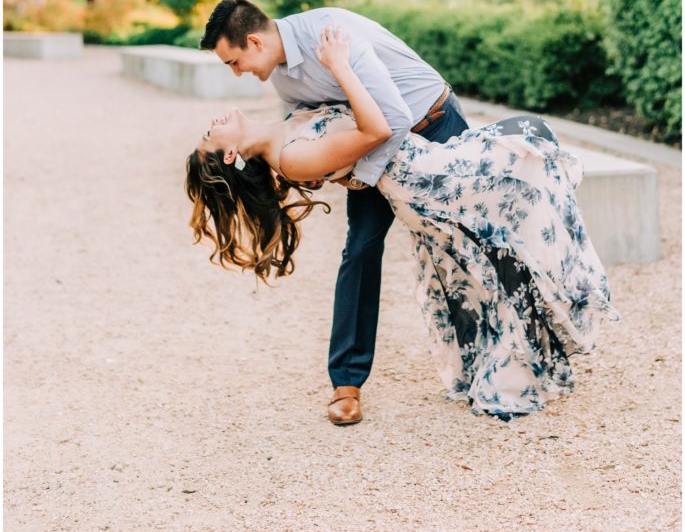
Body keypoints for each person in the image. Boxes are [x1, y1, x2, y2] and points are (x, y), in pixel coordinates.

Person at [187, 24, 618, 422]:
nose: (212, 124)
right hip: (426, 178)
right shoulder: (292, 158)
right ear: (229, 157)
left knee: (489, 247)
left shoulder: (287, 116)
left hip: (429, 151)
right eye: (210, 136)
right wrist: (339, 63)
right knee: (523, 164)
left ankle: (521, 354)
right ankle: (358, 382)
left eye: (234, 61)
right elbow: (376, 129)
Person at [198, 0, 470, 425]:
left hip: (432, 127)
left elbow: (394, 118)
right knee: (360, 249)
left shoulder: (333, 34)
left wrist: (360, 177)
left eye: (234, 62)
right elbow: (321, 125)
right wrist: (318, 171)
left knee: (463, 247)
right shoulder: (282, 81)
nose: (239, 74)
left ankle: (497, 354)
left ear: (253, 42)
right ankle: (346, 383)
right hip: (375, 148)